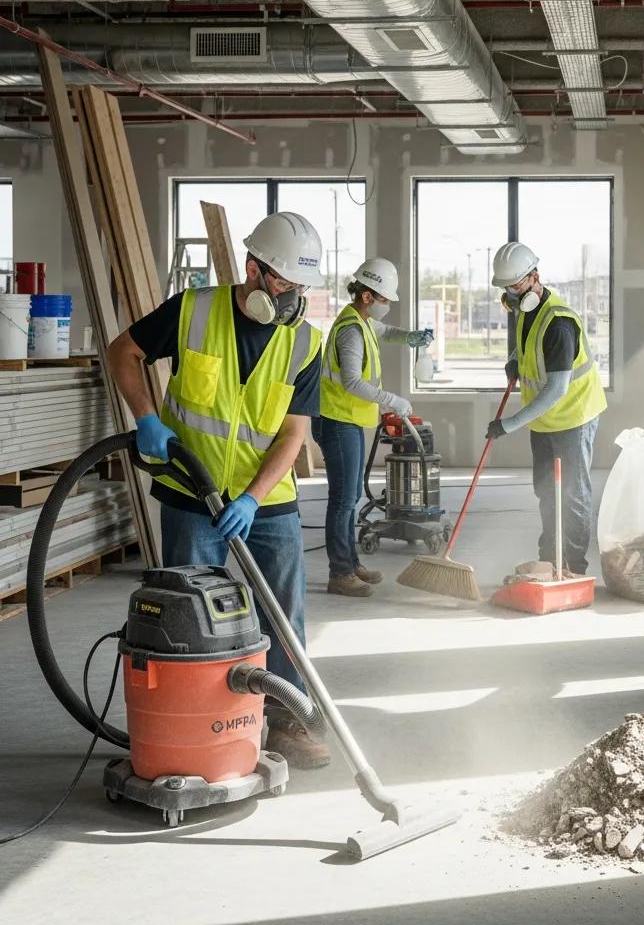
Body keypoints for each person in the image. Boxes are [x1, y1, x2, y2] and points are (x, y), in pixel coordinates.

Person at [107, 211, 331, 769]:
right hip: (191, 493)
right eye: (282, 282)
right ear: (253, 270)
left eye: (301, 286)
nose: (291, 297)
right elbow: (122, 353)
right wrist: (146, 418)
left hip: (269, 504)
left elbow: (293, 433)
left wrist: (254, 496)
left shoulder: (304, 341)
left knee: (282, 615)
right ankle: (197, 727)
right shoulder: (193, 310)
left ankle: (284, 720)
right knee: (190, 619)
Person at [486, 242, 607, 575]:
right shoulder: (527, 311)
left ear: (534, 278)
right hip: (543, 421)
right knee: (545, 489)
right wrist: (514, 361)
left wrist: (508, 424)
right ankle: (551, 558)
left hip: (573, 417)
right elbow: (527, 348)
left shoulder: (559, 323)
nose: (509, 294)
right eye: (505, 287)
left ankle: (574, 567)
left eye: (514, 286)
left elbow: (556, 388)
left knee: (572, 493)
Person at [316, 258, 433, 597]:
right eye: (384, 299)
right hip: (337, 421)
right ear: (367, 296)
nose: (387, 305)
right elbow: (352, 381)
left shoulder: (363, 321)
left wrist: (411, 338)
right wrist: (392, 400)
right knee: (342, 500)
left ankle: (351, 565)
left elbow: (387, 332)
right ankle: (340, 573)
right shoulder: (351, 330)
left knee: (350, 497)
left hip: (348, 420)